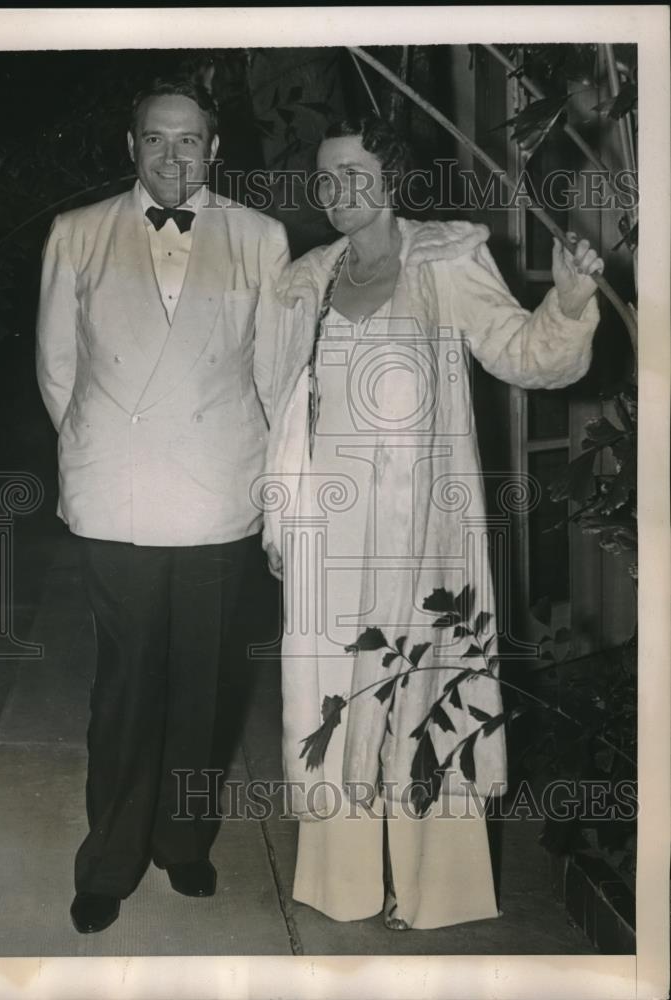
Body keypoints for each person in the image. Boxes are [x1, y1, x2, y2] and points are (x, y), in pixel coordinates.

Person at [262, 115, 603, 929]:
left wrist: (567, 300)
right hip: (330, 540)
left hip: (422, 537)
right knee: (335, 694)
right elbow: (280, 407)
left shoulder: (445, 260)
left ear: (393, 176)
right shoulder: (307, 279)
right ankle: (343, 882)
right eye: (324, 177)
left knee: (423, 689)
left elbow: (526, 354)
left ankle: (431, 892)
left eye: (354, 172)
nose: (336, 191)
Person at [36, 77, 290, 934]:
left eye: (190, 141)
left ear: (215, 150)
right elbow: (57, 372)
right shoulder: (76, 235)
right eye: (156, 139)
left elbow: (276, 377)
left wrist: (270, 488)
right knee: (125, 686)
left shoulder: (261, 237)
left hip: (219, 492)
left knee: (202, 687)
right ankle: (108, 858)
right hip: (120, 497)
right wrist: (104, 456)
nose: (173, 156)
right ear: (130, 145)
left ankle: (184, 842)